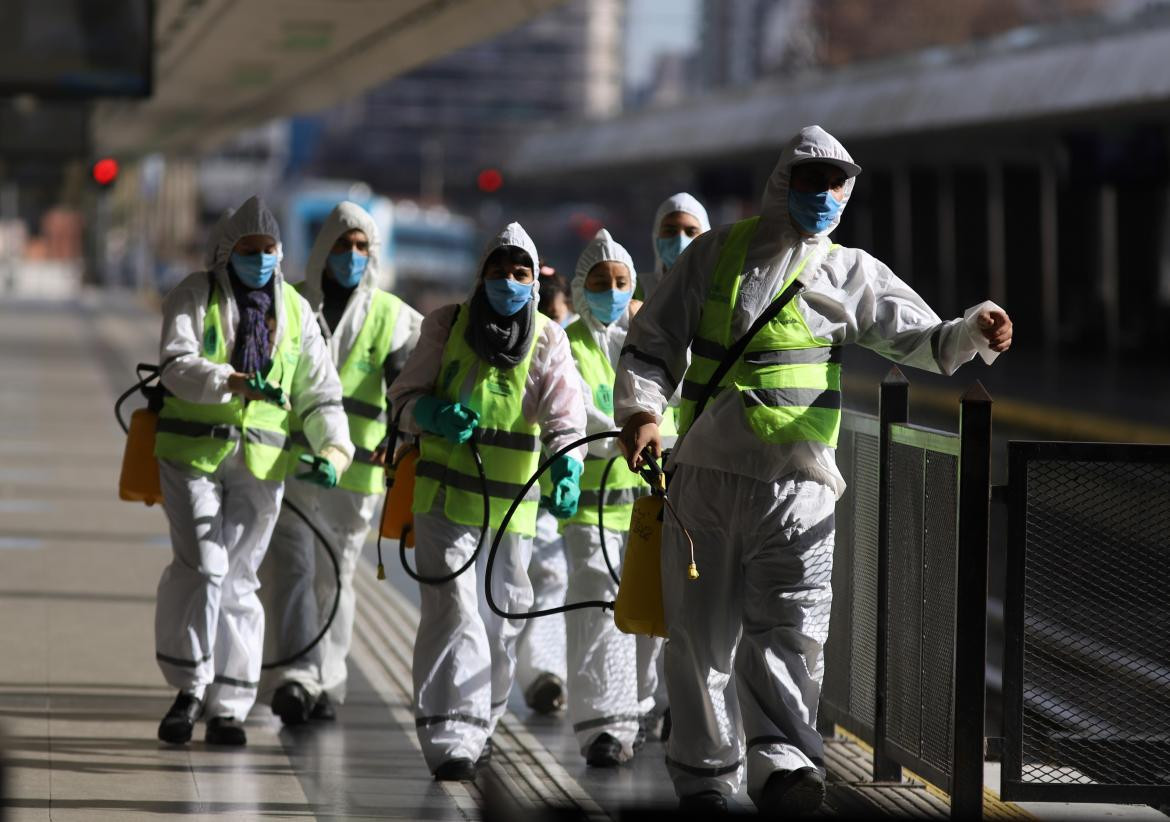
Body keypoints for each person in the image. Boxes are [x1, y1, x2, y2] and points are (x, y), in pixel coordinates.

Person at [615, 125, 1013, 813]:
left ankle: (784, 764)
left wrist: (975, 328)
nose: (825, 195)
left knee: (793, 629)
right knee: (697, 639)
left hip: (800, 486)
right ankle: (707, 774)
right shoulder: (714, 254)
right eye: (811, 181)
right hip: (706, 478)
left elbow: (919, 336)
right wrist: (642, 414)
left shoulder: (850, 271)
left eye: (836, 183)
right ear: (782, 185)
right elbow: (652, 347)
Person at [388, 222, 587, 781]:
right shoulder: (446, 325)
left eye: (520, 272)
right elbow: (403, 397)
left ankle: (482, 724)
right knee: (454, 612)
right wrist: (429, 414)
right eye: (498, 270)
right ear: (481, 274)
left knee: (503, 624)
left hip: (511, 510)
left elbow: (565, 417)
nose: (508, 281)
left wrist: (566, 465)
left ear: (533, 280)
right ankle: (450, 737)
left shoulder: (549, 338)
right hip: (443, 500)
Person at [153, 196, 354, 747]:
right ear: (226, 251)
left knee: (239, 579)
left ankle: (229, 706)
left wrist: (336, 449)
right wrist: (229, 380)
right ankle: (190, 687)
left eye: (268, 249)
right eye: (249, 249)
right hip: (192, 455)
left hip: (262, 464)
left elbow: (320, 392)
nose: (260, 258)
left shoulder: (291, 310)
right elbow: (175, 363)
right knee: (204, 565)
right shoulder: (196, 294)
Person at [259, 201, 422, 725]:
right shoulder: (290, 304)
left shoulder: (392, 315)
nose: (351, 255)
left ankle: (327, 680)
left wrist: (402, 439)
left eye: (361, 247)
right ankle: (296, 676)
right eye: (342, 244)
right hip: (291, 462)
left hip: (358, 473)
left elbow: (412, 383)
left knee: (334, 574)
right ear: (322, 248)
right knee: (292, 569)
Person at [559, 228, 650, 766]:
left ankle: (634, 717)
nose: (611, 290)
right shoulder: (565, 343)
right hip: (591, 510)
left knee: (643, 618)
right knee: (595, 609)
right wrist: (622, 437)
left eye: (620, 281)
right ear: (579, 286)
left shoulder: (648, 343)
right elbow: (572, 410)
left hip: (645, 510)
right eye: (599, 281)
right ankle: (601, 729)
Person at [515, 263, 572, 716]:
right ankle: (532, 672)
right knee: (520, 582)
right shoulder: (526, 345)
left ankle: (544, 672)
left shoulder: (571, 347)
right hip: (517, 486)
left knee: (552, 577)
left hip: (559, 490)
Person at [635, 192, 711, 302]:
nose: (680, 240)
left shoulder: (717, 292)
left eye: (690, 232)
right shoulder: (635, 289)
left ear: (707, 237)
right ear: (656, 236)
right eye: (670, 231)